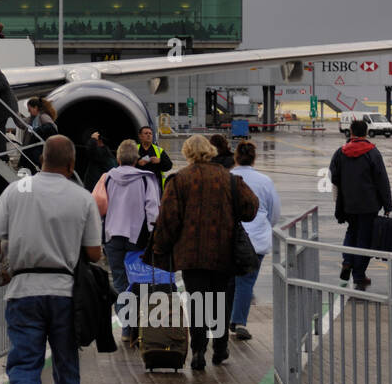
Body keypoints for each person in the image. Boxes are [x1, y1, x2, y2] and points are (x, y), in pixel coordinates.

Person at [0, 135, 102, 384]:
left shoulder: (16, 191)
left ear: (42, 159)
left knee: (24, 368)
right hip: (65, 294)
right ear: (72, 164)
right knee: (67, 371)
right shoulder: (82, 198)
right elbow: (94, 253)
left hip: (23, 292)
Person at [148, 134, 257, 371]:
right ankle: (220, 348)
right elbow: (251, 208)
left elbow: (169, 220)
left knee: (197, 301)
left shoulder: (180, 180)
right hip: (223, 251)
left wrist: (160, 249)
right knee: (219, 300)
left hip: (191, 254)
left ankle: (198, 351)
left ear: (187, 153)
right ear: (210, 151)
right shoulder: (229, 179)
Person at [94, 139, 161, 344]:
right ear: (137, 159)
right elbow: (152, 209)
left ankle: (126, 327)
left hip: (112, 236)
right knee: (139, 281)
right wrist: (153, 235)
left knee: (120, 281)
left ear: (118, 158)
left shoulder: (106, 178)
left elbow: (97, 204)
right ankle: (136, 327)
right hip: (137, 238)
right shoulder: (146, 179)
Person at [329, 119, 392, 290]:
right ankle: (359, 274)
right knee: (365, 237)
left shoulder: (340, 152)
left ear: (350, 131)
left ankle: (347, 261)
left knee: (351, 232)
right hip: (369, 204)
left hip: (348, 203)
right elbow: (382, 180)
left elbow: (334, 176)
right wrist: (387, 204)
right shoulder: (373, 153)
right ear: (366, 132)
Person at [228, 141, 281, 340]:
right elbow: (274, 211)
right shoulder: (264, 181)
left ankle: (228, 318)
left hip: (231, 237)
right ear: (254, 158)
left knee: (230, 281)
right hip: (256, 238)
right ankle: (239, 321)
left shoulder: (228, 178)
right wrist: (264, 224)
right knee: (246, 281)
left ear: (236, 157)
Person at [20, 97, 58, 174]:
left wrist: (38, 130)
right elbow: (20, 123)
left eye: (29, 109)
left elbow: (52, 127)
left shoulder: (43, 116)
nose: (28, 111)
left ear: (35, 108)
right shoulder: (32, 119)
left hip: (38, 150)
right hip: (34, 150)